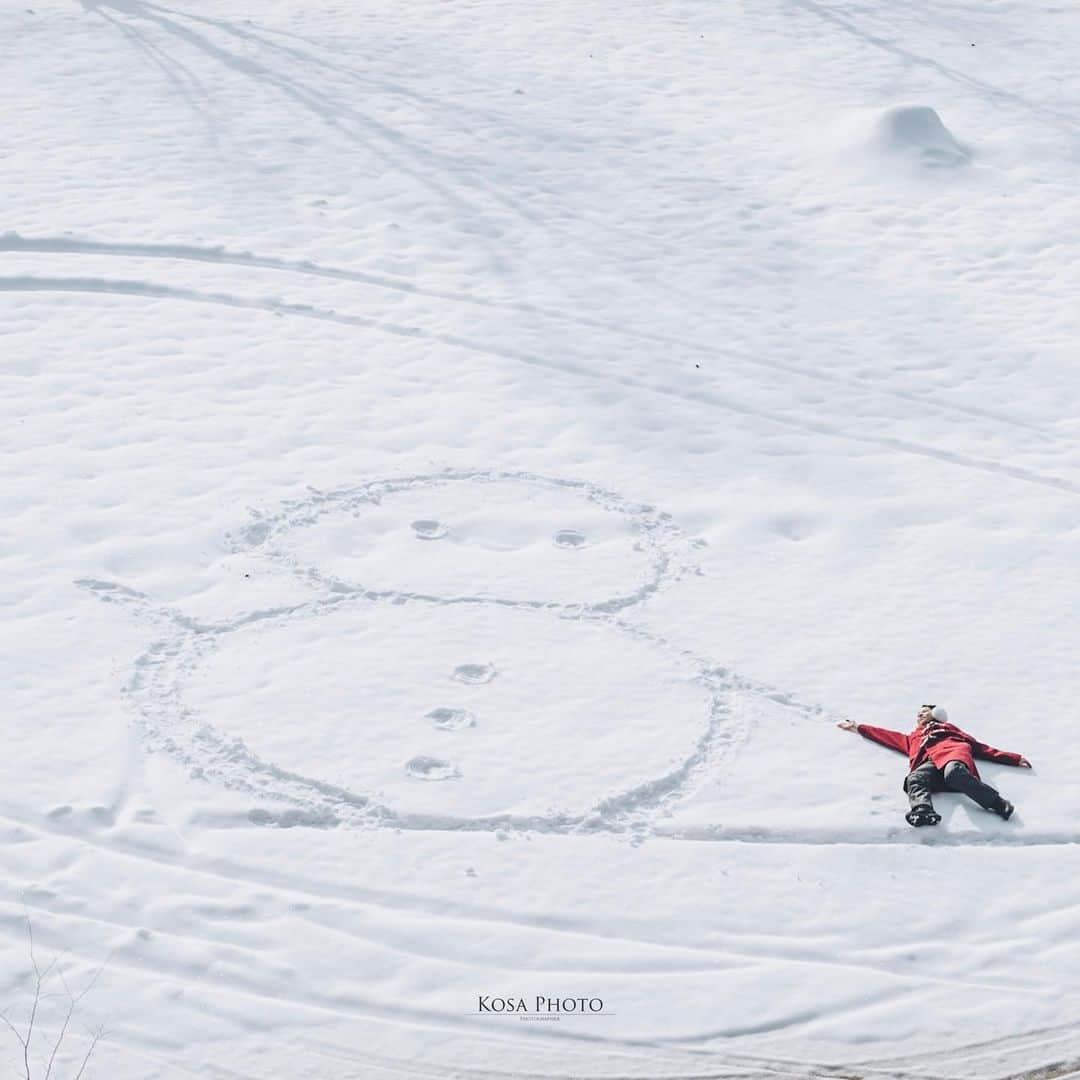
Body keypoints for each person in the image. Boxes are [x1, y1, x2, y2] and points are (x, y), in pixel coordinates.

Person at [838, 705, 1031, 827]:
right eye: (918, 714)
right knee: (915, 778)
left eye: (924, 712)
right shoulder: (913, 737)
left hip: (951, 756)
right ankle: (922, 811)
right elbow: (888, 736)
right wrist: (859, 727)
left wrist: (1013, 758)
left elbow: (983, 749)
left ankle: (997, 804)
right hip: (928, 764)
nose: (919, 716)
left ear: (936, 714)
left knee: (954, 773)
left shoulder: (950, 730)